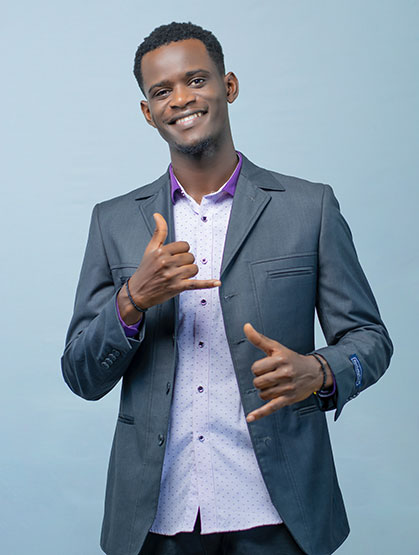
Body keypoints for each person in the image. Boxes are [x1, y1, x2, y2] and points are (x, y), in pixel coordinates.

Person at [61, 22, 393, 555]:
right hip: (155, 520)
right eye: (162, 91)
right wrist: (132, 300)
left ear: (229, 85)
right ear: (147, 112)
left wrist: (321, 371)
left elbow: (370, 340)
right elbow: (81, 375)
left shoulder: (309, 208)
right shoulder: (113, 223)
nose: (181, 99)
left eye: (196, 80)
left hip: (281, 515)